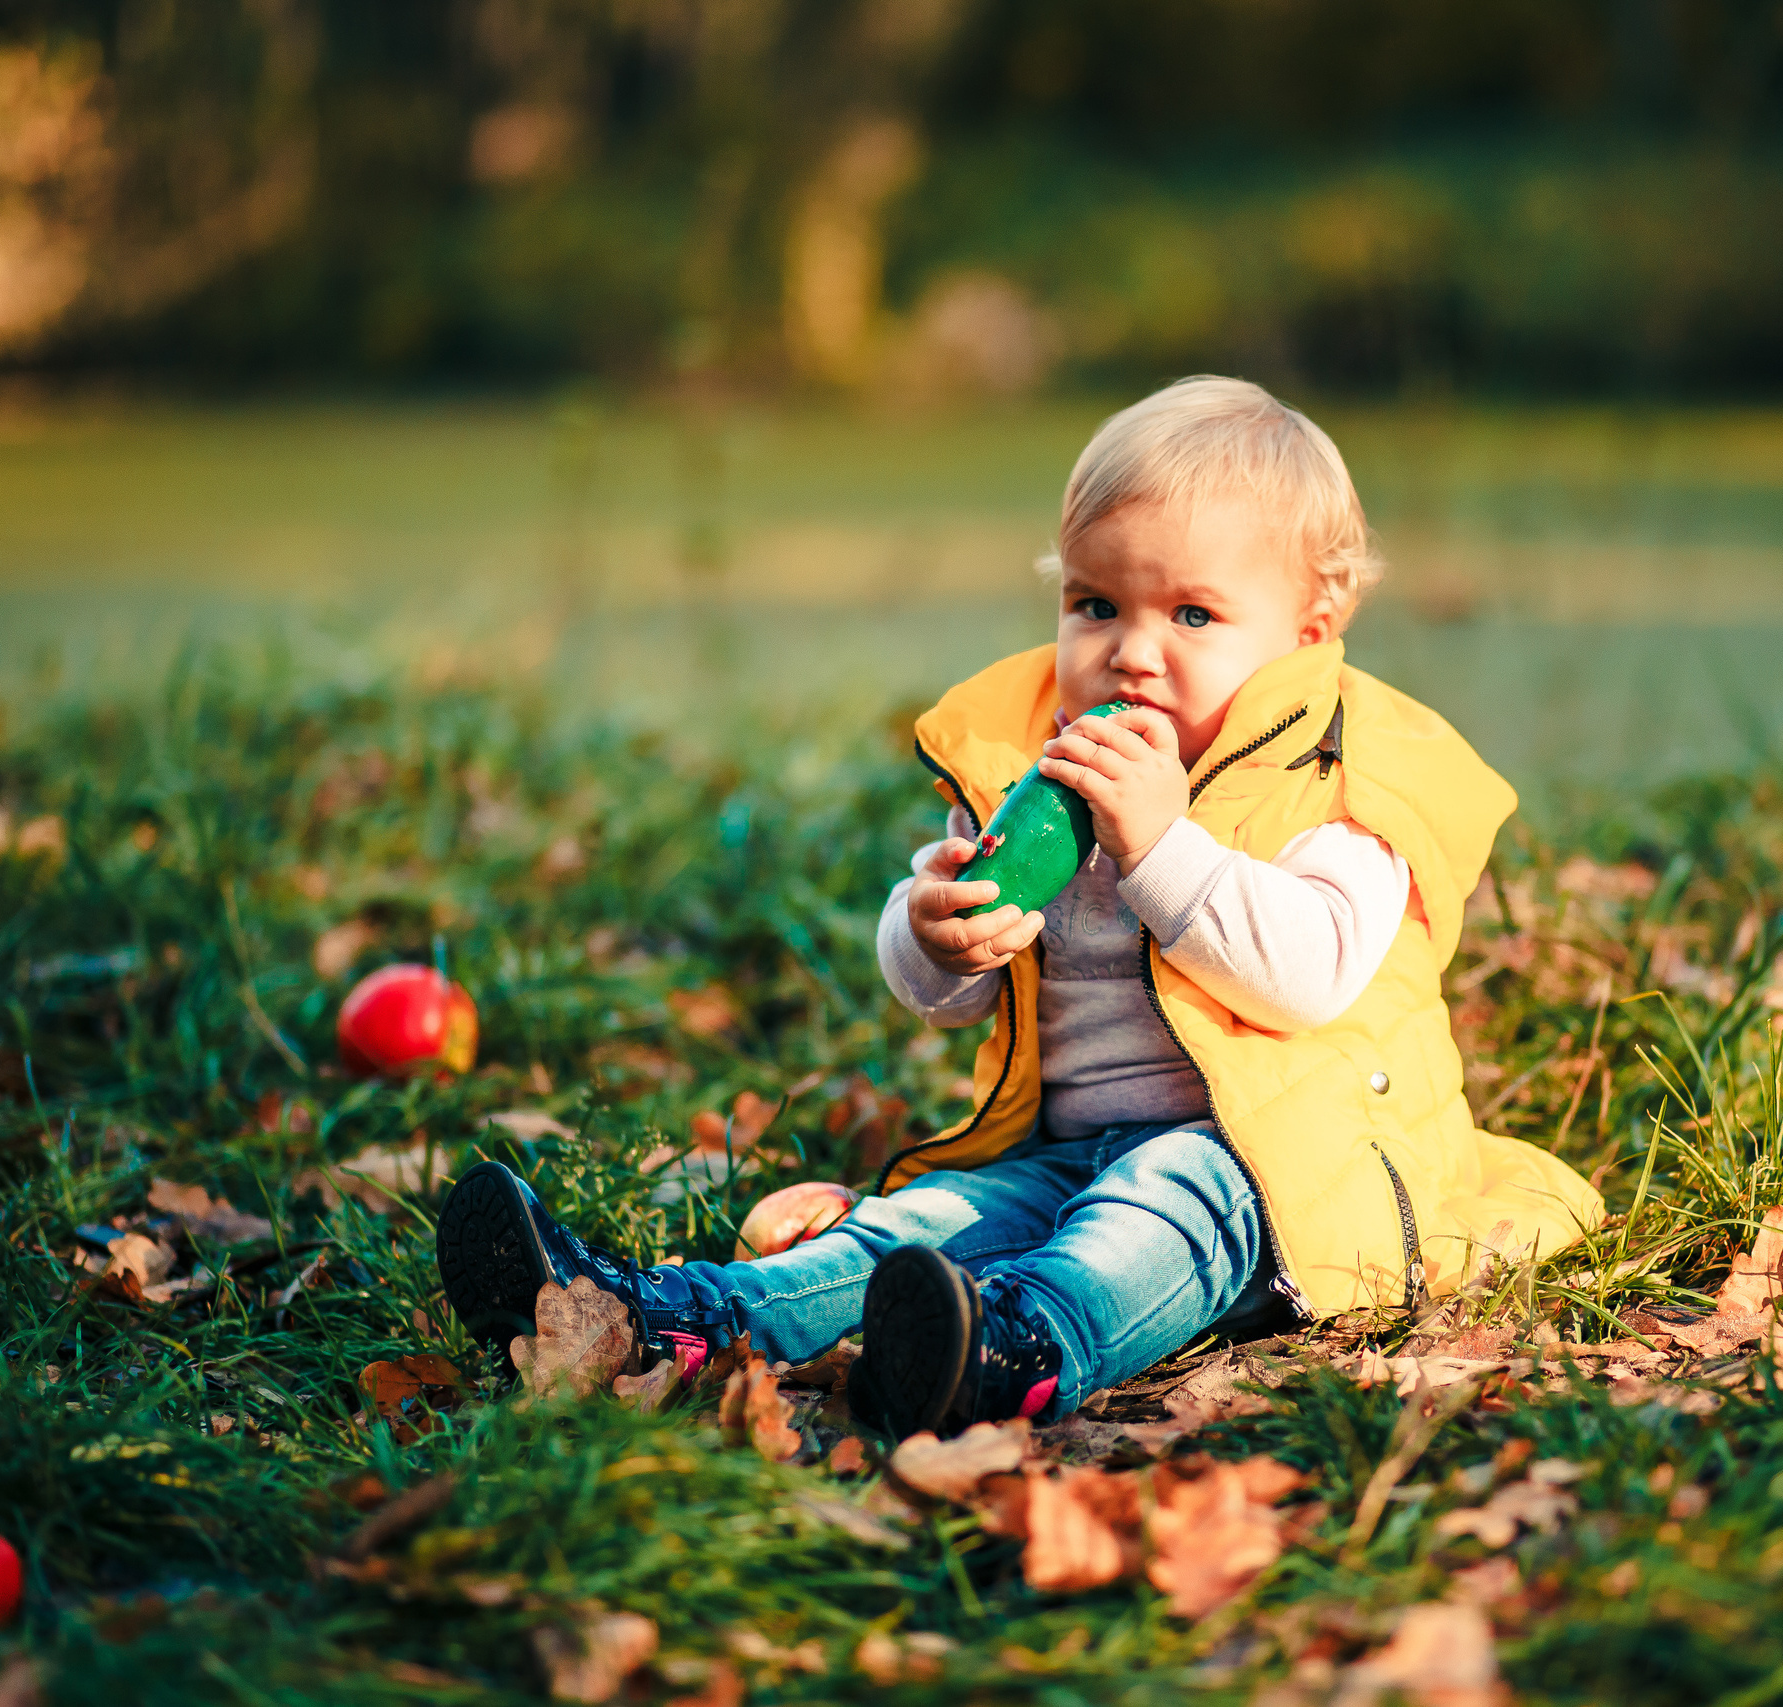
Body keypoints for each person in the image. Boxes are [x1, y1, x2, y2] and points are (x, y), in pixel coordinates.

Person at [436, 377, 1601, 1438]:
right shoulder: (1039, 769)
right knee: (931, 1220)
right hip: (1063, 1151)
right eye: (1097, 605)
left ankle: (1015, 1351)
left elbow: (1308, 976)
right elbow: (937, 992)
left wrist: (1161, 845)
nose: (1131, 654)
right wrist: (934, 933)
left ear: (1311, 624)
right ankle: (663, 1316)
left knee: (1161, 1196)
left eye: (1192, 617)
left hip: (1275, 1174)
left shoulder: (1340, 778)